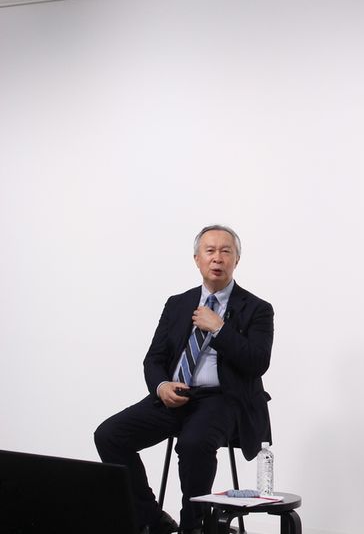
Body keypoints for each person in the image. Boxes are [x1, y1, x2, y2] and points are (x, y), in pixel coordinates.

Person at [95, 225, 274, 534]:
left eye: (225, 251)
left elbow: (258, 362)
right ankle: (151, 519)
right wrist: (161, 386)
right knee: (109, 435)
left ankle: (194, 527)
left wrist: (219, 328)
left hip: (223, 399)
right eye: (210, 251)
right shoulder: (178, 303)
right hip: (176, 394)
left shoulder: (257, 309)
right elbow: (154, 358)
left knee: (193, 444)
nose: (217, 258)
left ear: (236, 259)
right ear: (197, 259)